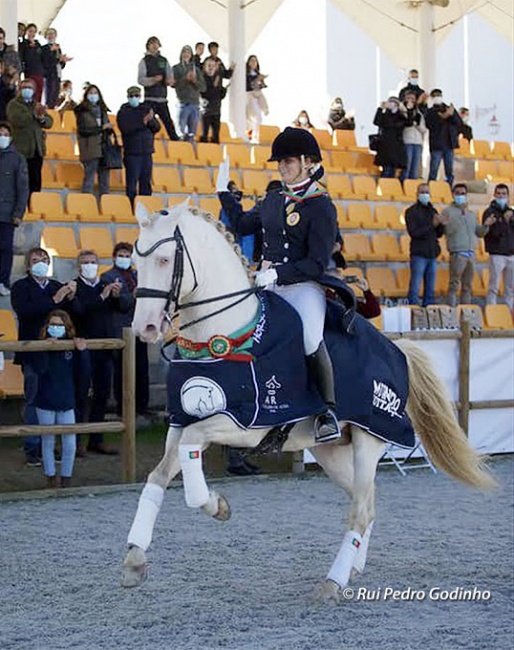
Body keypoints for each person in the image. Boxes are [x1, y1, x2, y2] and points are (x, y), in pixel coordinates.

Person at [217, 127, 340, 443]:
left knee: (310, 338)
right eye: (279, 162)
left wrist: (277, 274)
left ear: (306, 162)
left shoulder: (320, 205)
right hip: (268, 286)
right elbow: (243, 224)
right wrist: (223, 194)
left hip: (303, 286)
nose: (282, 167)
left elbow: (317, 262)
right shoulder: (273, 199)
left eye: (288, 161)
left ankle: (327, 413)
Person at [10, 246, 78, 466]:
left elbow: (73, 313)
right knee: (34, 398)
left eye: (45, 259)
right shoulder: (21, 287)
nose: (41, 262)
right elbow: (26, 311)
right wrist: (55, 299)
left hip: (59, 355)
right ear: (28, 265)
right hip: (33, 352)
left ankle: (53, 446)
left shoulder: (57, 286)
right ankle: (33, 446)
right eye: (36, 259)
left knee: (56, 398)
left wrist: (72, 296)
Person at [73, 249, 131, 453]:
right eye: (85, 262)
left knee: (102, 394)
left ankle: (96, 439)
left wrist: (116, 296)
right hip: (82, 347)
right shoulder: (74, 286)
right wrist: (102, 296)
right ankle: (76, 441)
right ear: (78, 266)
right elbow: (80, 311)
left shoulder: (106, 284)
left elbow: (124, 307)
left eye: (93, 261)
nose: (90, 265)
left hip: (105, 347)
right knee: (80, 394)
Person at [34, 310, 86, 488]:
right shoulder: (40, 346)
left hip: (66, 401)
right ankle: (50, 477)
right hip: (45, 401)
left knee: (69, 442)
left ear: (67, 327)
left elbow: (83, 373)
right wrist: (47, 349)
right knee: (48, 441)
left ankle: (66, 478)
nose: (56, 328)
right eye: (53, 325)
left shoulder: (71, 347)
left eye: (60, 325)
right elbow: (40, 370)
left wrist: (82, 351)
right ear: (47, 327)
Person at [101, 242, 150, 416]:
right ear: (114, 257)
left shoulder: (138, 275)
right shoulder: (107, 277)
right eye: (121, 255)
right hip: (120, 329)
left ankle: (142, 407)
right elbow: (120, 304)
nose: (124, 259)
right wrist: (134, 295)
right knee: (122, 370)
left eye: (127, 255)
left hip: (139, 327)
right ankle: (123, 409)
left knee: (142, 368)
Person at [440, 183, 489, 306]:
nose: (460, 196)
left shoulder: (471, 214)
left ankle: (465, 311)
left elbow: (478, 232)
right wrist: (455, 219)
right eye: (458, 193)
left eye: (463, 193)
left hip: (471, 252)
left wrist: (486, 225)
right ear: (453, 194)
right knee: (454, 284)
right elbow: (448, 231)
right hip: (457, 252)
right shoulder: (447, 212)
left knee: (467, 285)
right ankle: (451, 310)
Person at [6, 78, 53, 195]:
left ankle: (34, 205)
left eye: (30, 88)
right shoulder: (14, 105)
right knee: (21, 182)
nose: (27, 90)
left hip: (37, 150)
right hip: (21, 150)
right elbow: (17, 119)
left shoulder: (37, 105)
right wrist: (34, 115)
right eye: (24, 88)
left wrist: (41, 118)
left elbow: (49, 122)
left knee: (35, 182)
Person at [117, 85, 161, 206]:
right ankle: (131, 206)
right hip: (132, 153)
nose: (134, 98)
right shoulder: (123, 112)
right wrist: (143, 122)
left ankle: (146, 206)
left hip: (146, 152)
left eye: (136, 96)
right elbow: (126, 128)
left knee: (145, 182)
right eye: (132, 96)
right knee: (131, 182)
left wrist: (150, 120)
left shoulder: (146, 109)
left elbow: (156, 127)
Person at [0, 121, 29, 296]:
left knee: (5, 249)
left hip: (6, 214)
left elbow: (23, 187)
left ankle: (3, 281)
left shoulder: (17, 158)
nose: (2, 137)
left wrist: (19, 212)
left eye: (5, 134)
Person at [405, 183, 444, 306]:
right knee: (415, 287)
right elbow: (414, 232)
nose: (425, 195)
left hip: (432, 253)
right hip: (419, 253)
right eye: (422, 192)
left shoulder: (433, 210)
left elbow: (438, 234)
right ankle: (413, 309)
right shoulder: (411, 211)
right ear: (417, 194)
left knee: (430, 289)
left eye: (427, 192)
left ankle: (429, 312)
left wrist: (441, 224)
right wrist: (432, 225)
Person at [137, 36, 179, 141]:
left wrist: (169, 81)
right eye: (152, 43)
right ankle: (146, 140)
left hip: (162, 99)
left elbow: (170, 76)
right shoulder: (144, 61)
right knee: (148, 123)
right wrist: (153, 80)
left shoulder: (164, 60)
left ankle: (176, 142)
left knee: (168, 123)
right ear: (148, 46)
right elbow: (140, 80)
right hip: (149, 99)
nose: (155, 45)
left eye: (156, 43)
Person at [74, 83, 112, 195]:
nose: (93, 95)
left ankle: (105, 204)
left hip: (104, 148)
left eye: (95, 93)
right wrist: (101, 128)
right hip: (90, 148)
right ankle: (86, 201)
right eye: (91, 93)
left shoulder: (103, 111)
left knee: (105, 179)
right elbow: (84, 130)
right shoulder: (82, 111)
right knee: (89, 178)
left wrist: (108, 129)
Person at [482, 184, 514, 311]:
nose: (501, 196)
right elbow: (491, 234)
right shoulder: (489, 213)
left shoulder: (511, 213)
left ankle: (509, 312)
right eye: (499, 194)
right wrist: (503, 222)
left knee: (510, 288)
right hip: (496, 253)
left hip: (511, 254)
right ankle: (492, 311)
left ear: (508, 196)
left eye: (503, 194)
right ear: (494, 195)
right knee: (493, 286)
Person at [425, 89, 463, 187]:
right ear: (432, 98)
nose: (438, 97)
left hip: (449, 144)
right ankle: (430, 188)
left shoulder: (449, 108)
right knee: (434, 170)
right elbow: (431, 125)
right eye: (435, 95)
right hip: (437, 144)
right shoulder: (430, 111)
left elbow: (459, 123)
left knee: (449, 171)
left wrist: (452, 114)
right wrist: (445, 116)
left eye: (439, 95)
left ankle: (449, 189)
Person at [172, 45, 206, 141]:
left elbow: (203, 87)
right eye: (184, 52)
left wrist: (194, 81)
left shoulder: (197, 70)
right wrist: (185, 79)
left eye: (188, 52)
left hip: (195, 104)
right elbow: (174, 84)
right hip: (183, 103)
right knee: (180, 132)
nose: (186, 54)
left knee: (192, 134)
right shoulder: (176, 68)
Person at [219, 181, 255, 261]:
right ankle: (247, 261)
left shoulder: (236, 206)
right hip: (231, 238)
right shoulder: (227, 209)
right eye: (234, 190)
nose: (237, 192)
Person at [373, 96, 407, 178]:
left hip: (396, 148)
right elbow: (376, 121)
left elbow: (407, 122)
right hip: (385, 147)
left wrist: (404, 110)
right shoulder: (385, 115)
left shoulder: (400, 116)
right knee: (386, 170)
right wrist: (380, 109)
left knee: (393, 171)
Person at [41, 27, 72, 109]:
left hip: (57, 75)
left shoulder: (58, 48)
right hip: (49, 75)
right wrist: (58, 58)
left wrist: (63, 61)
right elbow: (46, 61)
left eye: (52, 34)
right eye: (49, 34)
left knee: (55, 97)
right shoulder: (44, 48)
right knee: (49, 97)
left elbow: (59, 64)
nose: (51, 36)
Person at [400, 90, 426, 182]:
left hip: (418, 142)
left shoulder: (418, 113)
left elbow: (424, 129)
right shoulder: (401, 111)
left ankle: (412, 187)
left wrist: (417, 124)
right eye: (408, 98)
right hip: (407, 141)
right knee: (407, 166)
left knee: (415, 168)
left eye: (413, 99)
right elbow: (405, 124)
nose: (411, 100)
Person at [200, 57, 226, 143]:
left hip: (217, 111)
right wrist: (214, 86)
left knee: (216, 136)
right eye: (209, 66)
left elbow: (219, 96)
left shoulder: (218, 79)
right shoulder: (202, 79)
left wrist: (223, 90)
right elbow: (204, 94)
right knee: (204, 135)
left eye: (213, 66)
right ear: (205, 67)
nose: (211, 68)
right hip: (206, 111)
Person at [18, 23, 45, 101]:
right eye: (30, 31)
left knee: (39, 92)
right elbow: (23, 57)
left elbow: (42, 57)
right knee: (31, 92)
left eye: (34, 32)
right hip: (30, 72)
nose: (32, 33)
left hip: (39, 71)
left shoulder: (38, 44)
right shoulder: (23, 44)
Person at [246, 55, 268, 144]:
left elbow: (262, 86)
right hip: (250, 95)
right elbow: (248, 85)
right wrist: (256, 80)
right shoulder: (246, 74)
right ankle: (252, 134)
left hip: (257, 95)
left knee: (259, 116)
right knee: (253, 115)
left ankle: (265, 108)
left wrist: (261, 81)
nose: (253, 63)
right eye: (251, 61)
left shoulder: (257, 73)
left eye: (255, 61)